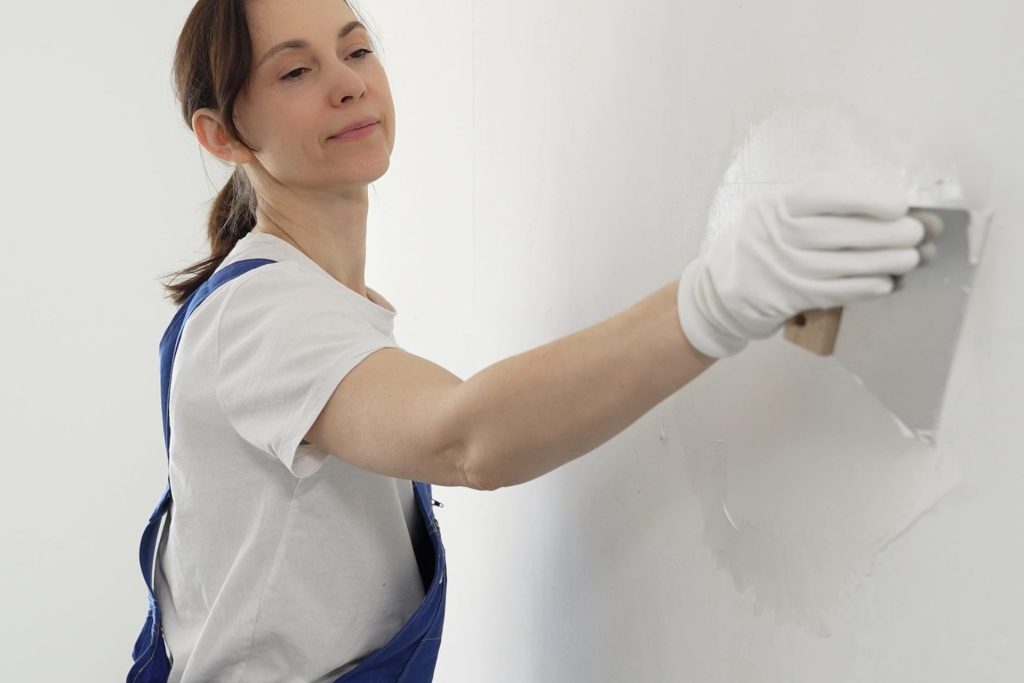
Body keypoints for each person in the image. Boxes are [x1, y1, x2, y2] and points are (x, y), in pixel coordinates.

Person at [140, 0, 935, 680]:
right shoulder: (260, 315)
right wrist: (719, 300)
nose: (347, 81)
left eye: (355, 48)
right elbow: (467, 438)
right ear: (223, 135)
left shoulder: (329, 308)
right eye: (294, 71)